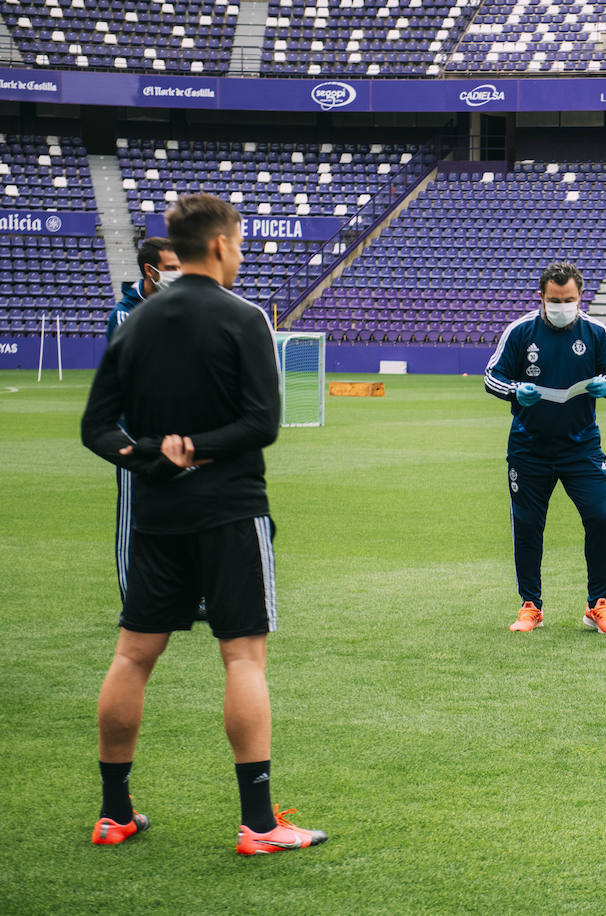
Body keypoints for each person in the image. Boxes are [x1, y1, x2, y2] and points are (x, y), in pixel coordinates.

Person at [81, 193, 326, 854]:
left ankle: (113, 813)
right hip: (229, 511)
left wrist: (145, 456)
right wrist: (199, 447)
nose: (241, 255)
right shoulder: (241, 318)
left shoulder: (135, 321)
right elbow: (261, 425)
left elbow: (95, 428)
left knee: (132, 655)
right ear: (219, 245)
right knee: (242, 655)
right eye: (240, 244)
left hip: (156, 515)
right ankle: (258, 824)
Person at [484, 261, 606, 635]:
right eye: (554, 300)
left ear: (581, 298)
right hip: (529, 448)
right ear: (541, 298)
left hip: (582, 447)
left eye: (569, 300)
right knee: (528, 526)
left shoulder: (596, 332)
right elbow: (492, 376)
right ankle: (531, 605)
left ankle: (598, 604)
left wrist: (605, 386)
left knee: (599, 517)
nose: (562, 306)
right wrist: (517, 390)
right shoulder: (520, 332)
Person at [107, 237, 181, 604]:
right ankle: (135, 596)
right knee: (133, 516)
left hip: (180, 431)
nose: (179, 273)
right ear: (151, 271)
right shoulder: (125, 314)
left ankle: (188, 594)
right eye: (171, 267)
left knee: (186, 510)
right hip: (134, 432)